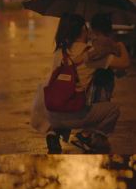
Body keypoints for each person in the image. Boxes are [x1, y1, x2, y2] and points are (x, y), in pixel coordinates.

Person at [46, 13, 131, 154]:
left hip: (51, 114)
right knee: (113, 109)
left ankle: (53, 133)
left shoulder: (60, 52)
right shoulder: (91, 53)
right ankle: (86, 136)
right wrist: (121, 46)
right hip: (74, 114)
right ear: (82, 30)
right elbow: (124, 63)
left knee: (66, 98)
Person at [88, 13, 124, 103]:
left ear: (93, 28)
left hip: (95, 84)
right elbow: (120, 73)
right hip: (107, 83)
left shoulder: (92, 43)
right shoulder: (113, 44)